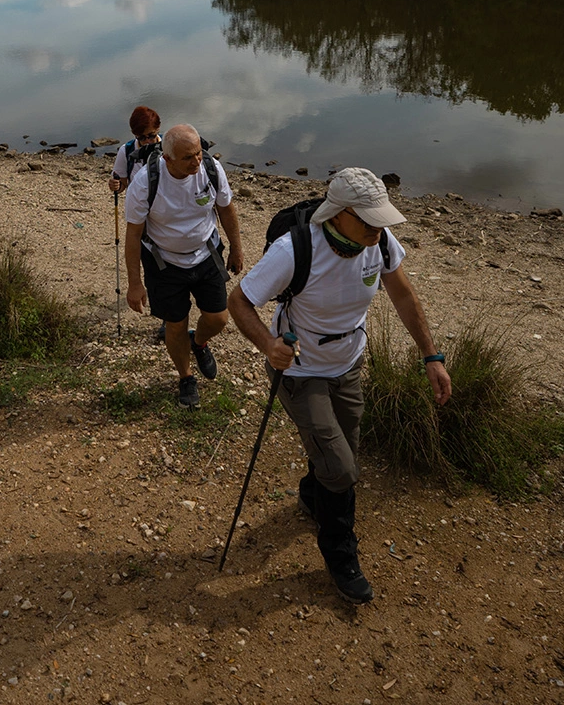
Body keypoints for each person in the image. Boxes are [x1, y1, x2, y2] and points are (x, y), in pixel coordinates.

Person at [228, 167, 452, 605]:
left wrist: (431, 356)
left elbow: (403, 296)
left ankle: (312, 494)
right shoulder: (294, 250)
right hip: (300, 371)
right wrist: (269, 345)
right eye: (368, 220)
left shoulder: (379, 242)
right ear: (338, 213)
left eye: (381, 219)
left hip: (348, 364)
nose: (378, 228)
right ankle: (340, 553)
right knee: (343, 469)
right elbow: (239, 300)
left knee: (341, 452)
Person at [124, 124, 244, 409]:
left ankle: (198, 342)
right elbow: (133, 235)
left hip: (206, 254)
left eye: (198, 153)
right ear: (167, 159)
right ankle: (186, 377)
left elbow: (226, 209)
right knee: (175, 324)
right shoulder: (145, 182)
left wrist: (236, 247)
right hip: (164, 263)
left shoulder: (210, 169)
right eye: (188, 157)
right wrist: (134, 283)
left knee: (218, 319)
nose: (196, 161)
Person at [108, 105, 161, 194]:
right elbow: (122, 184)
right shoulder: (126, 150)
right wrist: (116, 186)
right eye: (141, 138)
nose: (147, 141)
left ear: (158, 128)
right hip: (138, 200)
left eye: (151, 135)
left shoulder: (168, 147)